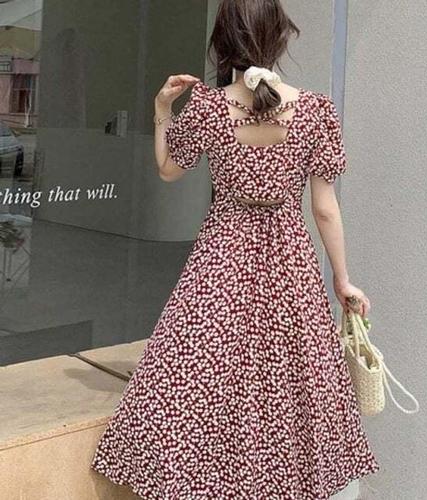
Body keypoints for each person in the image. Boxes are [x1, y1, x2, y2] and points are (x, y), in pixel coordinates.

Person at [90, 1, 380, 498]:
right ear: (280, 36)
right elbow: (325, 210)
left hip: (221, 255)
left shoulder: (206, 106)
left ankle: (202, 479)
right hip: (291, 261)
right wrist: (343, 279)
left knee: (199, 371)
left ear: (222, 40)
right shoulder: (316, 110)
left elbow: (168, 170)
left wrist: (162, 111)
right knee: (291, 379)